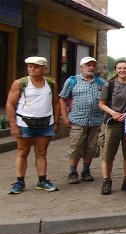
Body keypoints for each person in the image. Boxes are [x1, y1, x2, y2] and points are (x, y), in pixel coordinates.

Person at [5, 56, 60, 194]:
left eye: (36, 66)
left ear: (44, 69)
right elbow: (10, 104)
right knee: (22, 151)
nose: (32, 69)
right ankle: (19, 181)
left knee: (42, 152)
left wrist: (57, 121)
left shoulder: (51, 84)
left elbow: (57, 103)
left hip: (45, 121)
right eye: (30, 66)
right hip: (24, 122)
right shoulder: (20, 83)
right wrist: (13, 125)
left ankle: (42, 180)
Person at [97, 60, 126, 195]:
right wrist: (113, 113)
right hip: (112, 123)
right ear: (116, 70)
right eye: (119, 68)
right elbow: (101, 104)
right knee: (108, 154)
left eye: (125, 68)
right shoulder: (109, 85)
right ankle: (106, 181)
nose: (122, 70)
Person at [59, 56, 105, 185]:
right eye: (88, 65)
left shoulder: (101, 83)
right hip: (77, 120)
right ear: (82, 67)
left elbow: (106, 100)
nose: (91, 67)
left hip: (95, 121)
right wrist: (64, 117)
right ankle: (73, 172)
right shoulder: (72, 81)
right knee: (75, 147)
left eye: (93, 65)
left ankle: (86, 171)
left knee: (91, 148)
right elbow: (63, 98)